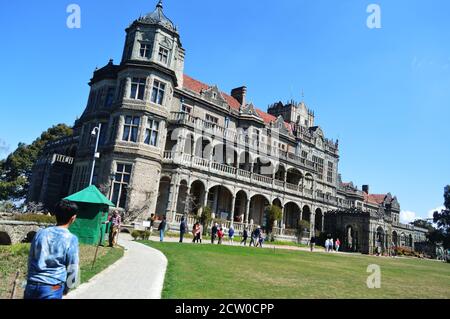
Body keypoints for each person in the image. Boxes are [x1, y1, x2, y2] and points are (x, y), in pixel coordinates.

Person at [24, 200, 79, 299]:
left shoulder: (40, 233)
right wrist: (67, 287)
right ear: (73, 218)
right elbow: (73, 266)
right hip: (53, 286)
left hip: (32, 284)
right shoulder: (71, 239)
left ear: (55, 215)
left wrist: (30, 278)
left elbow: (30, 258)